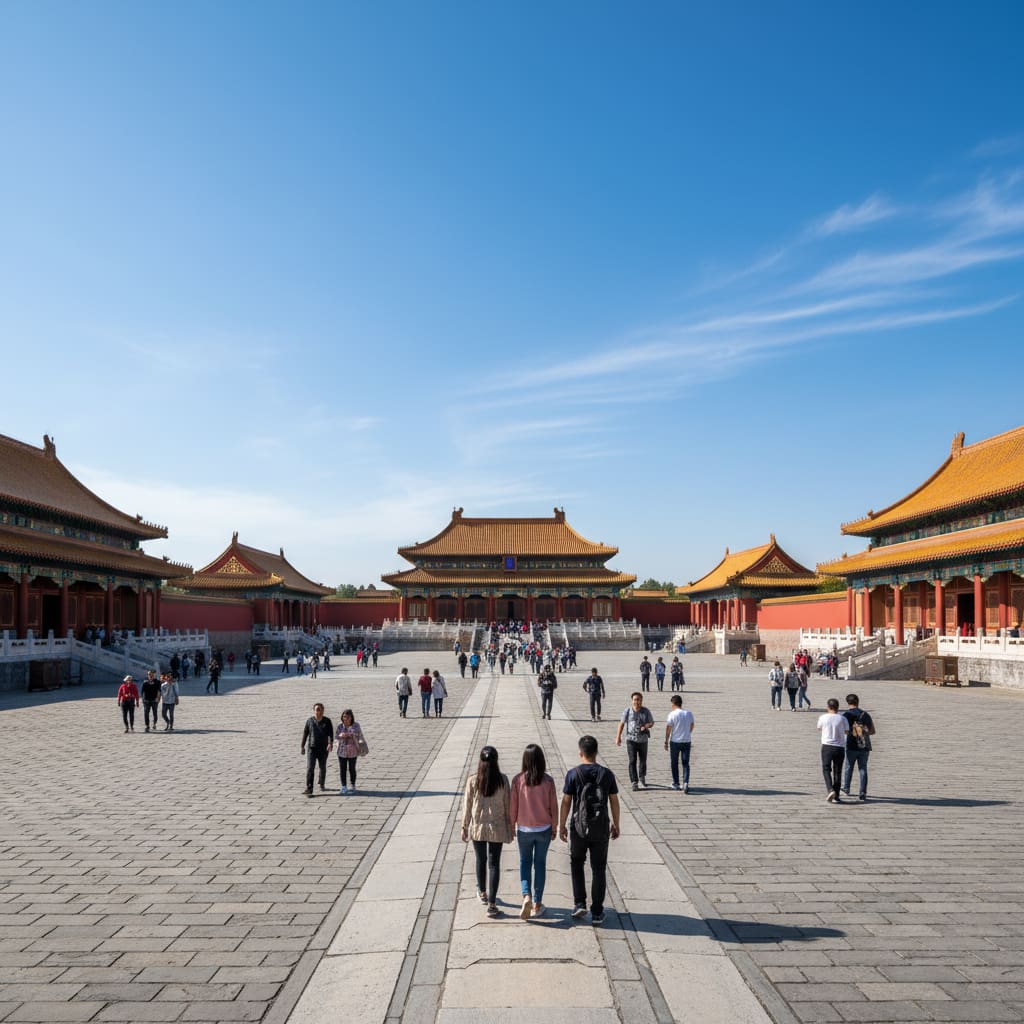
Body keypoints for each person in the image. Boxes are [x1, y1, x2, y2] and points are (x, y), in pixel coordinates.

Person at [559, 734, 620, 925]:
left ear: (580, 753)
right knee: (599, 867)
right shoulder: (607, 774)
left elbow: (567, 801)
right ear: (596, 752)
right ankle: (597, 912)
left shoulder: (573, 774)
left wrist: (561, 825)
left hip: (578, 827)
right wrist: (616, 824)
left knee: (577, 863)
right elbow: (614, 801)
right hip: (600, 827)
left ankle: (579, 904)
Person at [461, 746, 513, 918]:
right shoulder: (503, 780)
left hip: (478, 826)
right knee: (494, 863)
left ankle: (482, 892)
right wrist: (511, 826)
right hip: (497, 827)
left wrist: (464, 826)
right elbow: (508, 805)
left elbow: (467, 806)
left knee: (480, 859)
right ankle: (492, 904)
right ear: (496, 761)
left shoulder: (473, 780)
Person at [510, 744, 558, 919]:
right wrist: (555, 826)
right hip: (543, 828)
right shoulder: (548, 781)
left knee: (524, 862)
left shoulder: (517, 780)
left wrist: (511, 825)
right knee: (540, 864)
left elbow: (513, 806)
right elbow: (554, 805)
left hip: (524, 829)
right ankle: (537, 903)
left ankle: (526, 896)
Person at [615, 692, 655, 791]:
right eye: (635, 699)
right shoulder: (627, 711)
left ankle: (642, 776)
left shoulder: (646, 711)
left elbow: (651, 722)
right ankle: (634, 782)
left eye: (639, 699)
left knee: (643, 760)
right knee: (632, 760)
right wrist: (618, 736)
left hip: (643, 740)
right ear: (632, 700)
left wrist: (646, 726)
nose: (637, 702)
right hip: (631, 739)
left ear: (642, 700)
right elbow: (622, 724)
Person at [842, 694, 875, 801]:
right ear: (858, 701)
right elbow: (872, 731)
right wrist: (862, 732)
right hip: (864, 746)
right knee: (863, 768)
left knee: (848, 767)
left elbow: (842, 731)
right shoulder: (865, 715)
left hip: (851, 745)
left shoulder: (845, 715)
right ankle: (862, 792)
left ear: (848, 702)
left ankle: (846, 788)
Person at [817, 698, 849, 803]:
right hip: (839, 747)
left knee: (826, 769)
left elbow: (819, 728)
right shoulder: (842, 718)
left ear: (828, 707)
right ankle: (836, 795)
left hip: (827, 746)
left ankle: (830, 789)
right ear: (837, 707)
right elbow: (846, 731)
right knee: (838, 771)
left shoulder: (823, 717)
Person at [300, 703, 334, 796]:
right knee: (310, 768)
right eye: (317, 709)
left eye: (320, 709)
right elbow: (305, 734)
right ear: (314, 710)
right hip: (312, 748)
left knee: (322, 767)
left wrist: (330, 744)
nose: (319, 711)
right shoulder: (309, 721)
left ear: (323, 710)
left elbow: (331, 734)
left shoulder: (327, 721)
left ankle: (322, 782)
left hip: (323, 748)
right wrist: (302, 746)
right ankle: (309, 788)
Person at [664, 694, 695, 792]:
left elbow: (668, 728)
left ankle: (676, 783)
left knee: (674, 762)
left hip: (675, 741)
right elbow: (692, 725)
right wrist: (687, 733)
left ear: (673, 704)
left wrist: (666, 741)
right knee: (685, 763)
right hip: (686, 741)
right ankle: (685, 782)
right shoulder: (689, 713)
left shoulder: (672, 714)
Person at [335, 709, 364, 795]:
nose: (346, 719)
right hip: (342, 751)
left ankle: (352, 784)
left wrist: (351, 734)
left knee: (352, 768)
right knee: (342, 769)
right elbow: (336, 736)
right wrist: (341, 735)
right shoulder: (340, 726)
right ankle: (344, 786)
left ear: (351, 717)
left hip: (353, 751)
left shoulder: (356, 725)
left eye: (348, 717)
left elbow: (358, 734)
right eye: (344, 717)